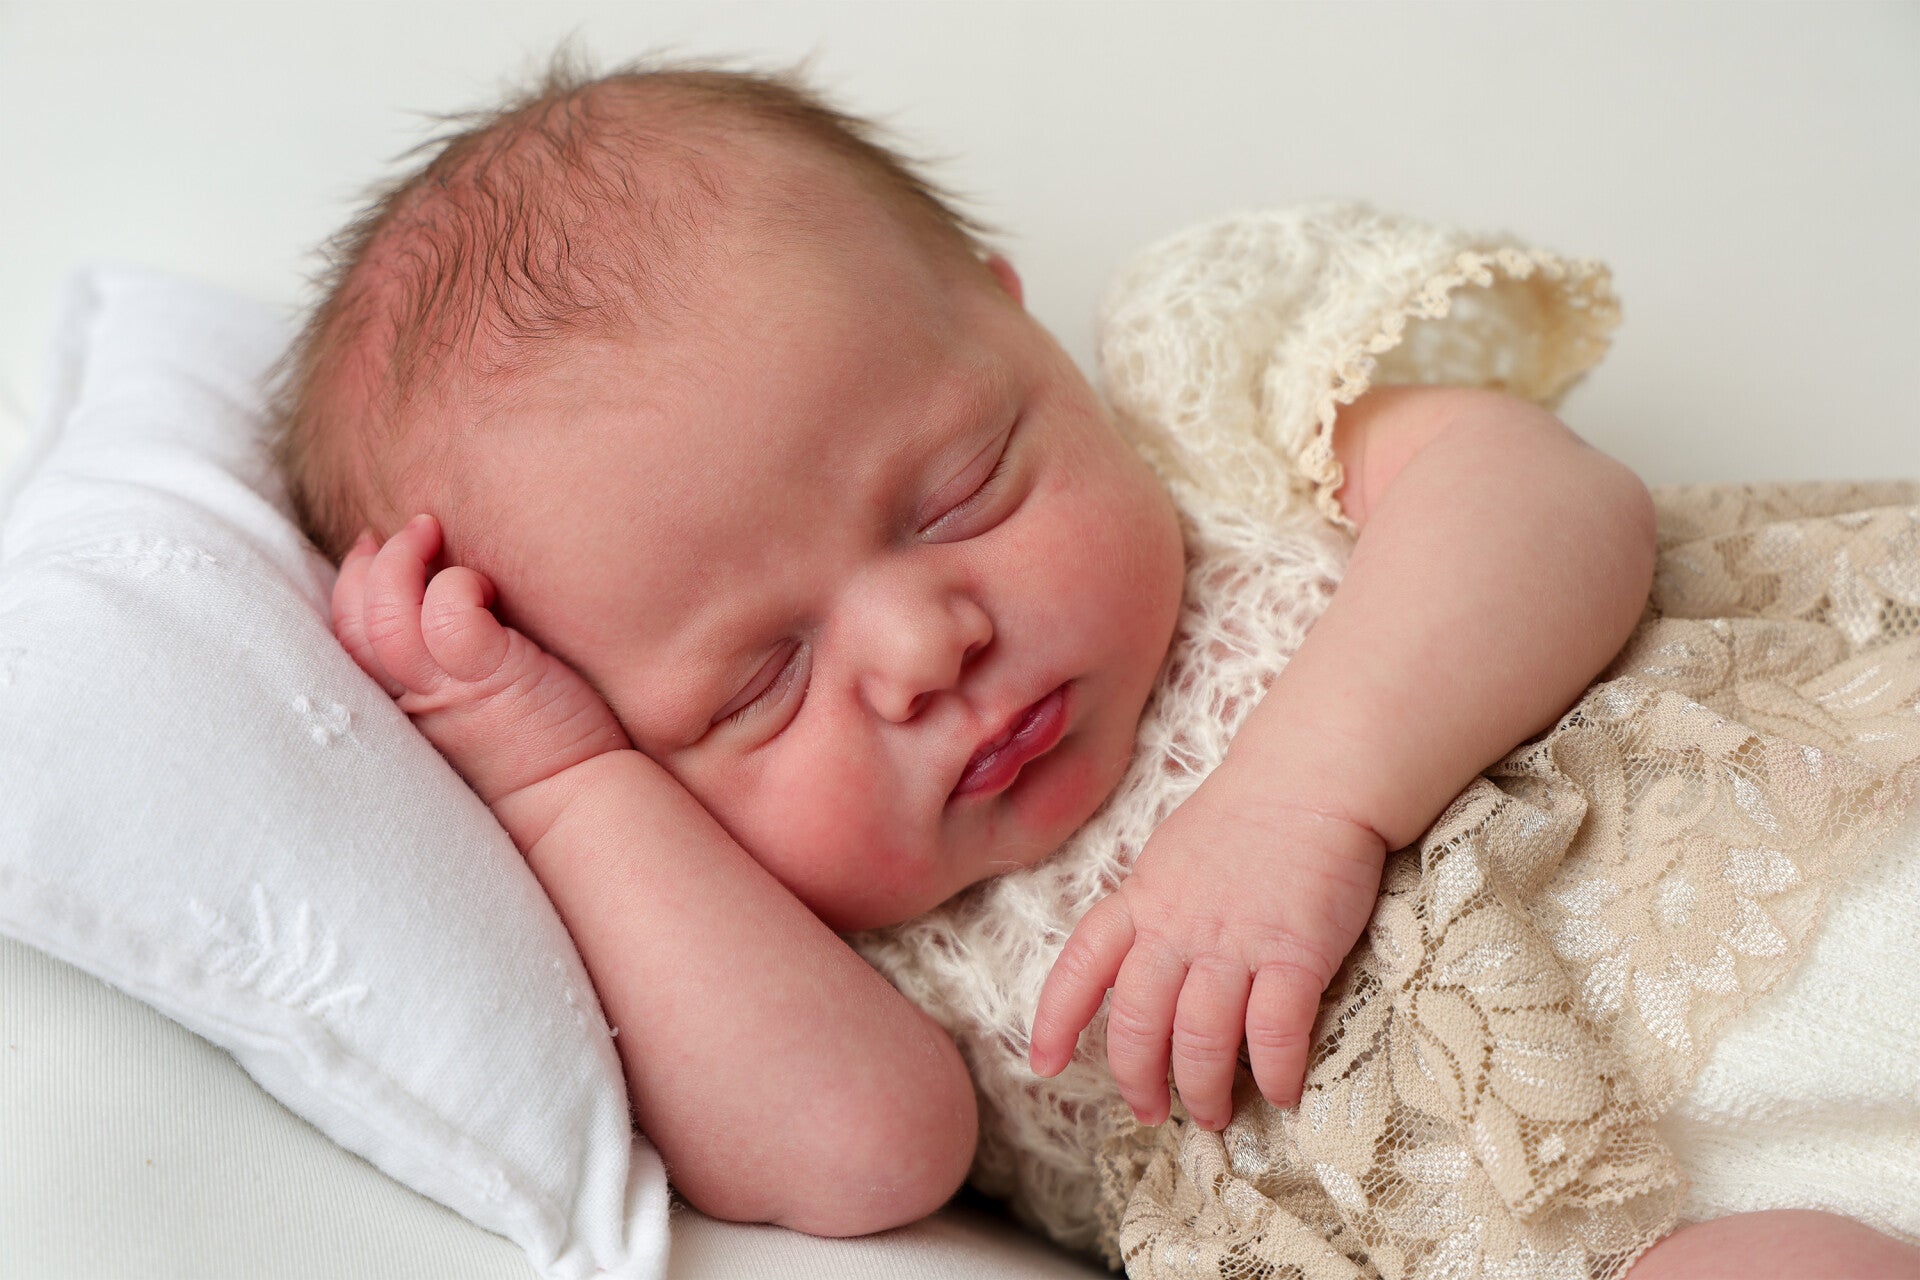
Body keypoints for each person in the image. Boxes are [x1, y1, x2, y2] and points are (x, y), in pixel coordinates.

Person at [275, 57, 1920, 1280]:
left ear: (1026, 336)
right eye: (760, 683)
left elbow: (1550, 508)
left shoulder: (1207, 413)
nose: (927, 645)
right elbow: (857, 1156)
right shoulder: (871, 961)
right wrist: (561, 780)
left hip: (1842, 832)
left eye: (960, 491)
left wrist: (1304, 805)